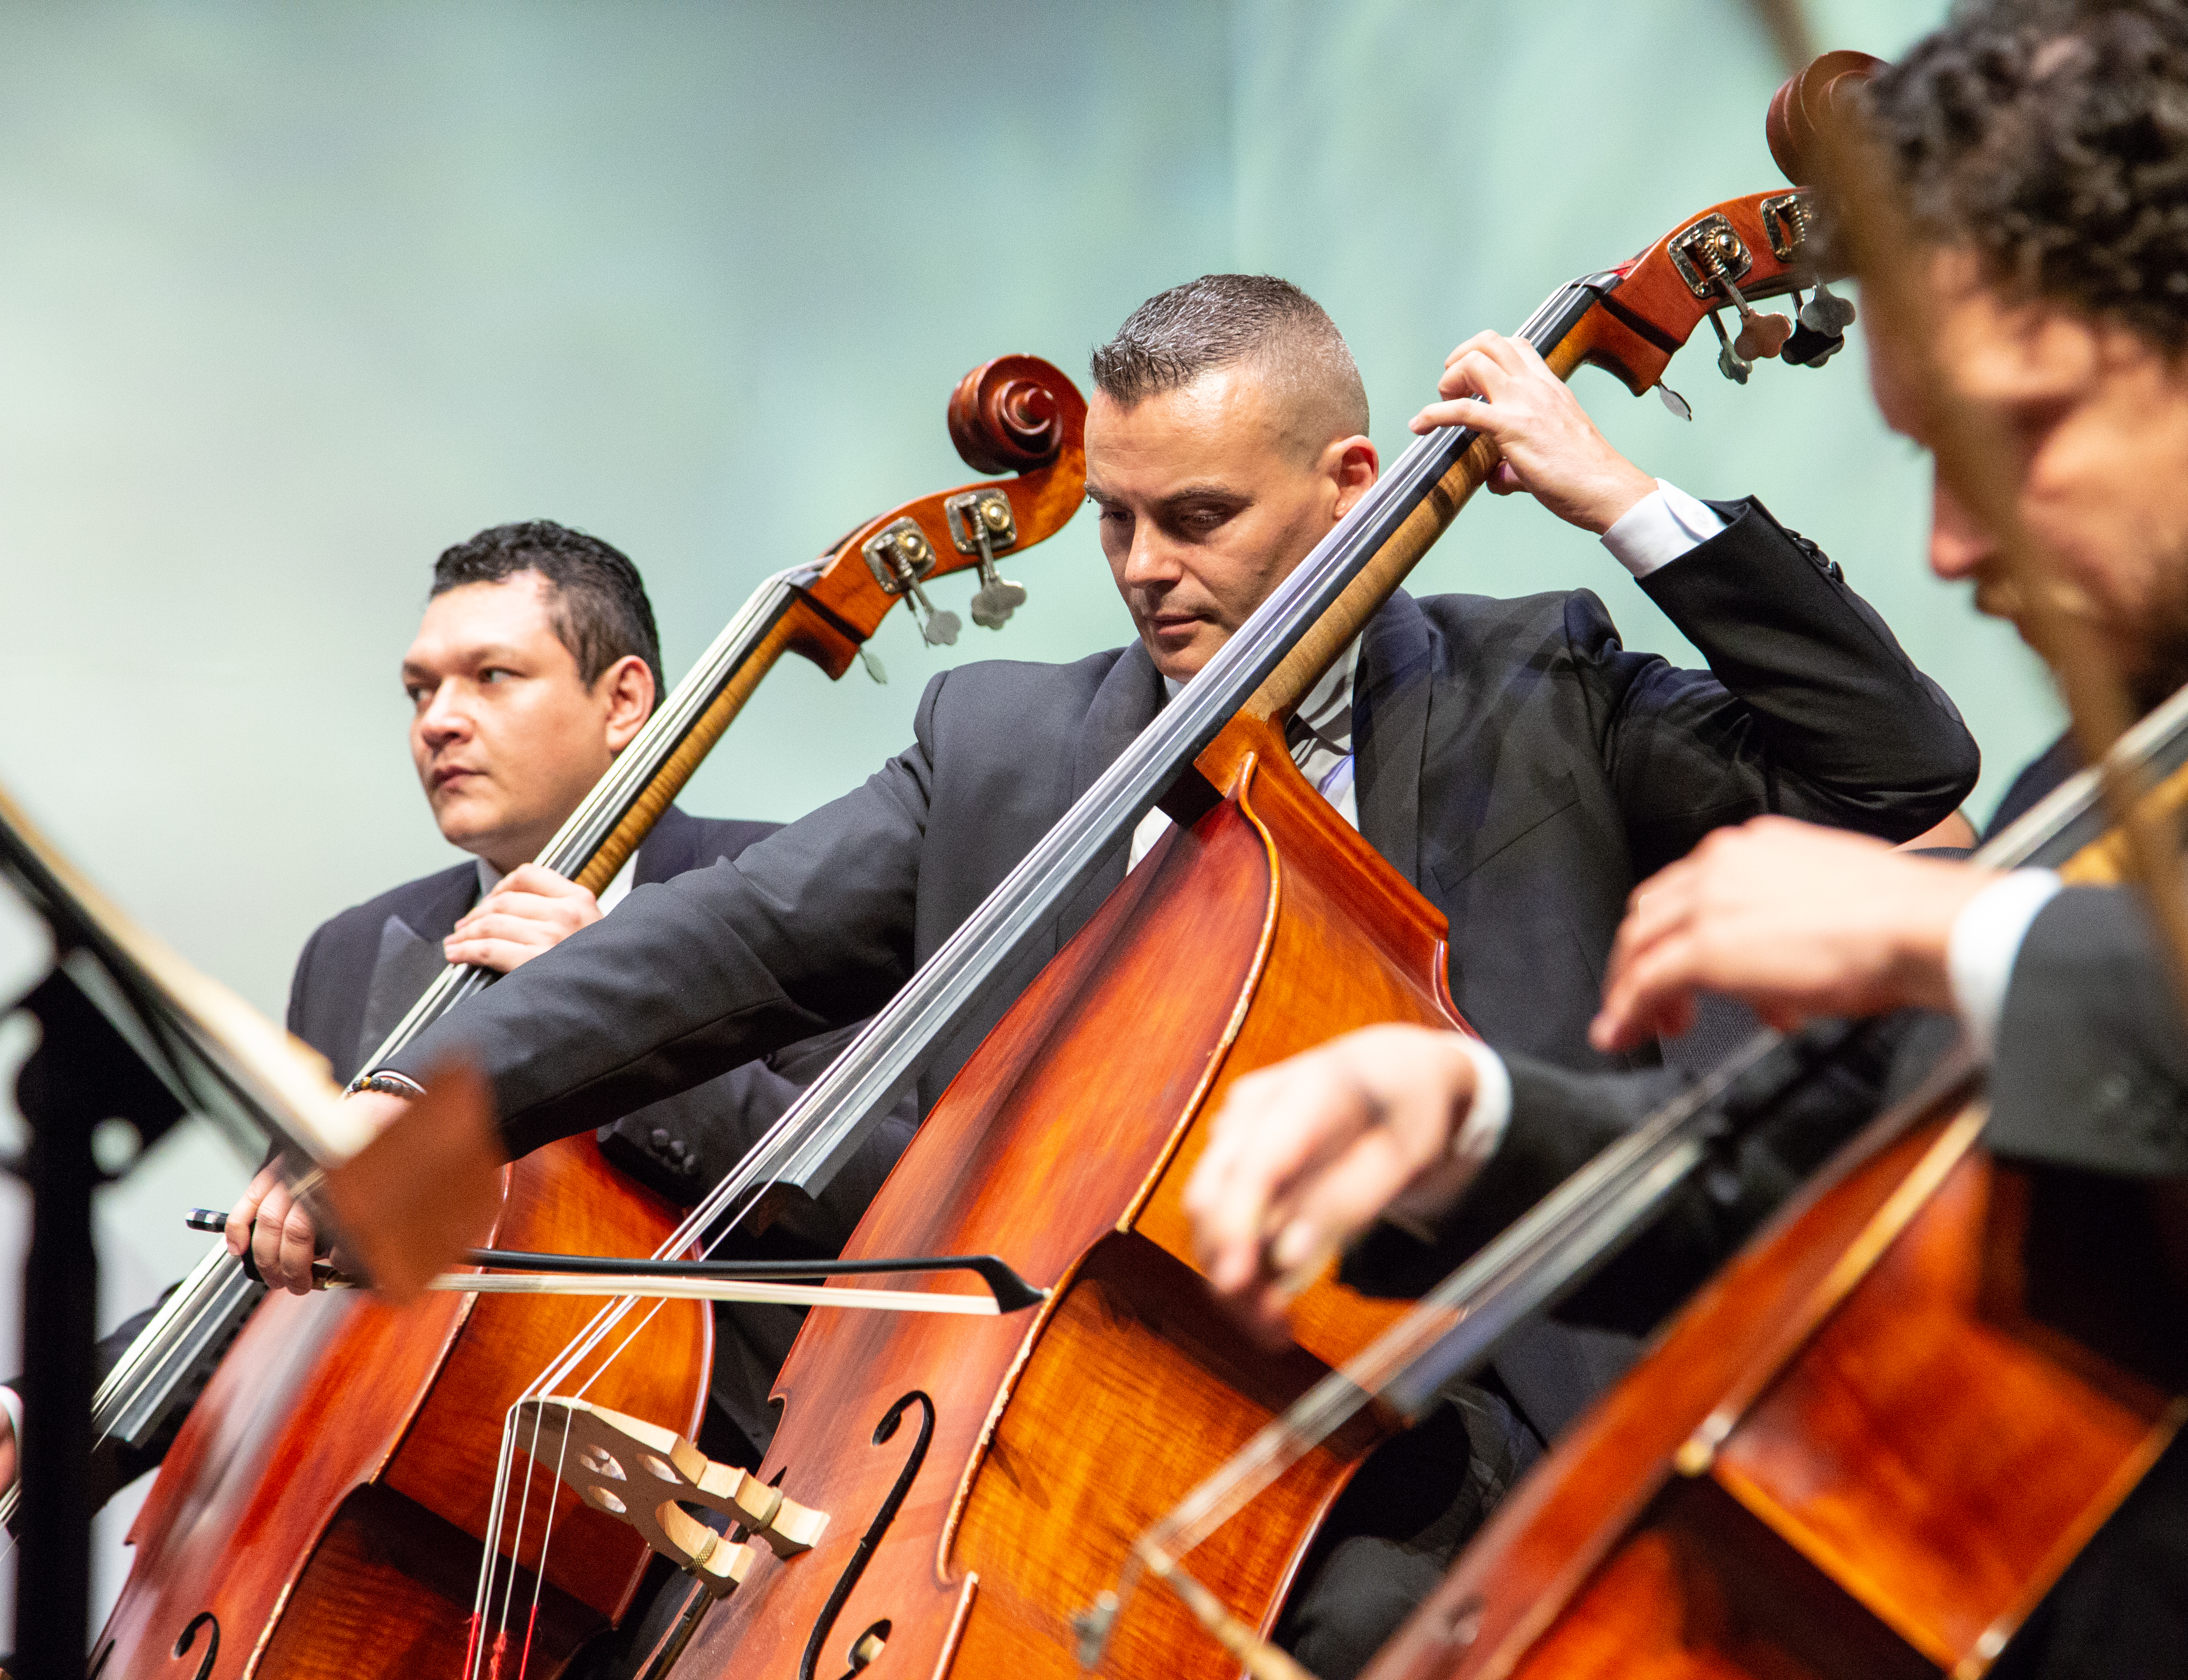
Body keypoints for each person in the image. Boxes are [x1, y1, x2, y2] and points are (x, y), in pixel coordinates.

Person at [250, 274, 1981, 1676]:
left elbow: (1895, 769)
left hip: (1474, 1417)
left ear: (1350, 487)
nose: (1150, 568)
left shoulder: (1544, 685)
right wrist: (410, 1111)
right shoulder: (1003, 741)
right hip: (1061, 1425)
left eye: (1202, 518)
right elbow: (717, 947)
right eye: (1122, 523)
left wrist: (1622, 499)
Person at [1182, 4, 2188, 1675]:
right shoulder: (2121, 787)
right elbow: (1795, 1179)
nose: (1953, 546)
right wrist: (1465, 1114)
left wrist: (1961, 932)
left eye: (2014, 437)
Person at [0, 521, 897, 1551]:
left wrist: (620, 1001)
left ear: (624, 701)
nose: (441, 721)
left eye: (493, 677)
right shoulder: (360, 951)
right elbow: (278, 1262)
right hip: (409, 1540)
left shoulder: (779, 899)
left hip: (713, 1526)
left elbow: (858, 1196)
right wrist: (30, 1423)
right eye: (420, 690)